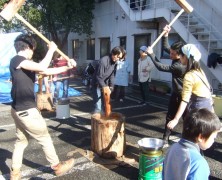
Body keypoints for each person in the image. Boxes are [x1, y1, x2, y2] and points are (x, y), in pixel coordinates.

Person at [9, 34, 76, 179]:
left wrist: (66, 66)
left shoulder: (23, 63)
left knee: (21, 141)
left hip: (18, 110)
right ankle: (57, 166)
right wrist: (51, 49)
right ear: (28, 47)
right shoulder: (19, 60)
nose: (33, 53)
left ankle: (15, 173)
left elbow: (45, 71)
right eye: (33, 49)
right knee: (44, 138)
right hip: (26, 111)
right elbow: (41, 66)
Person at [146, 25, 186, 144]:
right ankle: (165, 138)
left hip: (184, 95)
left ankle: (190, 142)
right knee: (170, 116)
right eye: (171, 53)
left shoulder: (179, 66)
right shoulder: (178, 56)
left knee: (187, 119)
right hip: (176, 93)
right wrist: (166, 35)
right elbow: (165, 47)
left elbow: (160, 67)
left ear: (180, 55)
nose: (170, 55)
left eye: (173, 54)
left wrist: (152, 54)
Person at [163, 108, 222, 180]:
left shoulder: (172, 148)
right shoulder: (198, 163)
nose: (213, 141)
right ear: (201, 137)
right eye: (213, 138)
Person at [167, 44, 214, 130]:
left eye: (180, 55)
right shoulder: (199, 71)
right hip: (207, 109)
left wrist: (176, 119)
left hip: (198, 111)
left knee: (194, 136)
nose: (179, 58)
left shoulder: (189, 75)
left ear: (185, 57)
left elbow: (185, 100)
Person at [91, 46, 123, 114]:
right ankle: (96, 122)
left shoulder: (114, 62)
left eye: (120, 58)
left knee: (104, 105)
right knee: (98, 106)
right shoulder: (103, 61)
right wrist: (105, 87)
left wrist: (111, 87)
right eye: (118, 57)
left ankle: (103, 121)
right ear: (113, 54)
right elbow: (99, 77)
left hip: (104, 84)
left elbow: (112, 75)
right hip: (96, 85)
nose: (118, 59)